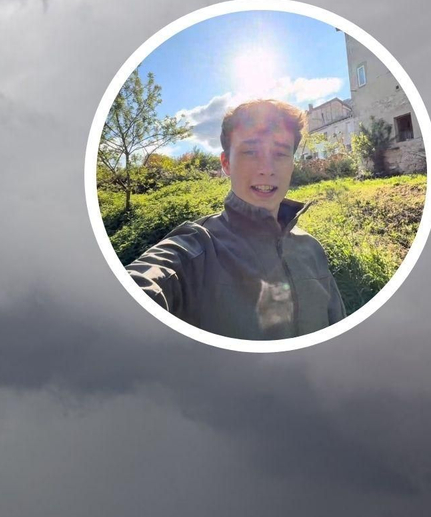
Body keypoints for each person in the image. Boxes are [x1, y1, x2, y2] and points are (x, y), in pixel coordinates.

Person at [125, 98, 346, 340]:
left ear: (292, 164)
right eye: (250, 152)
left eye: (280, 153)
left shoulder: (312, 249)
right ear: (226, 163)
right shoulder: (196, 249)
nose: (267, 168)